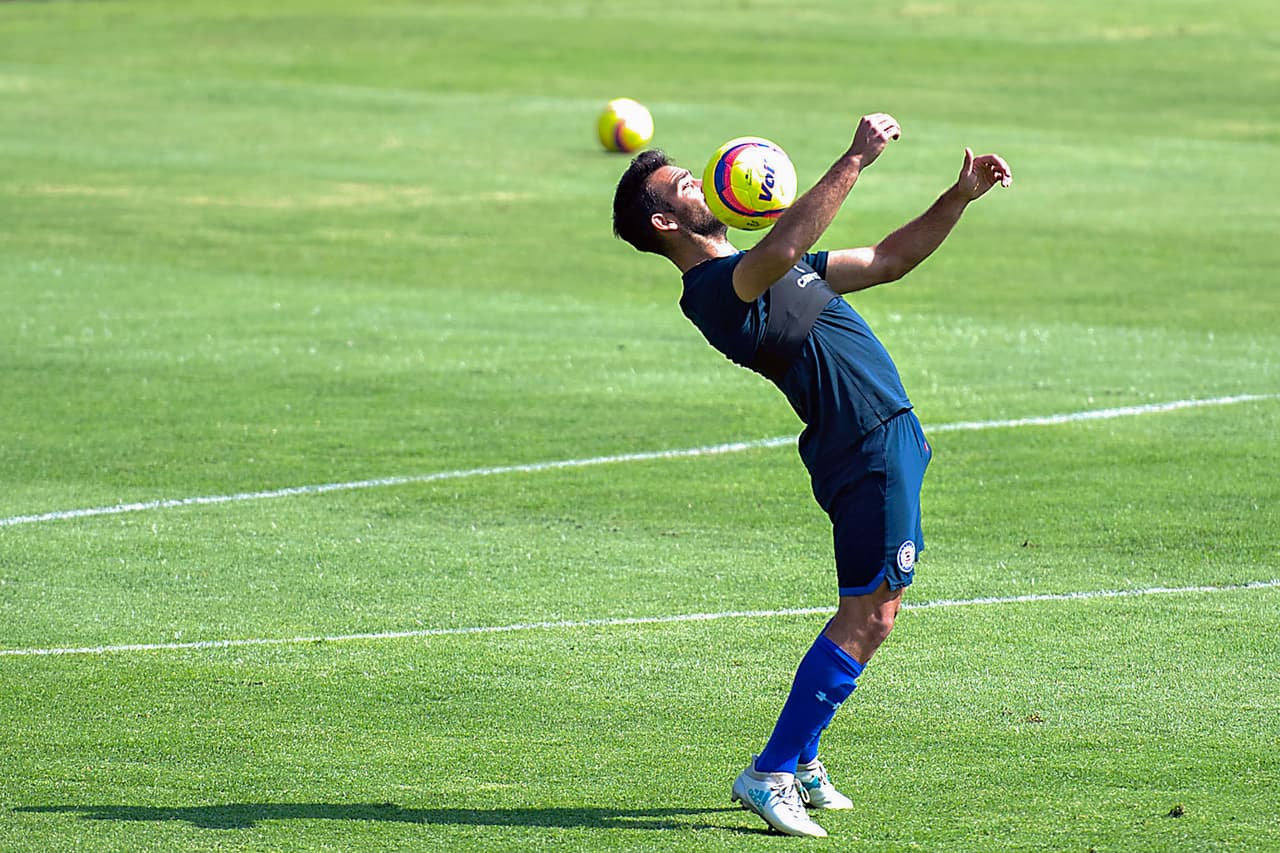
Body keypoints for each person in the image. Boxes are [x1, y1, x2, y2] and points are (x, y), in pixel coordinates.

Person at [610, 113, 1012, 837]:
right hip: (863, 449)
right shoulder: (715, 290)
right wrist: (855, 158)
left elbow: (890, 259)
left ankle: (801, 758)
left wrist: (958, 198)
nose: (701, 181)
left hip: (881, 441)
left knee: (871, 608)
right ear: (666, 220)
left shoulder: (774, 267)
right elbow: (786, 240)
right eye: (684, 184)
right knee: (872, 614)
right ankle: (772, 769)